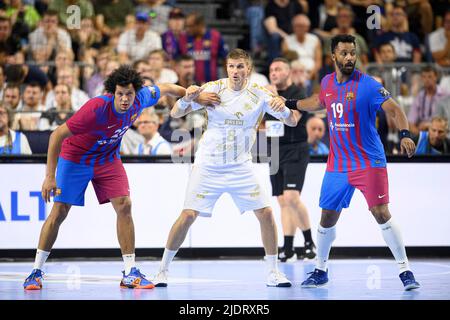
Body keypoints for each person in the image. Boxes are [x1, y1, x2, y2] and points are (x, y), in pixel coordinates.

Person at [22, 65, 213, 290]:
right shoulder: (95, 109)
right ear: (113, 93)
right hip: (76, 158)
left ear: (136, 93)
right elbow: (56, 135)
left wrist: (194, 94)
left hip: (106, 157)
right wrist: (49, 177)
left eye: (129, 94)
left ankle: (130, 272)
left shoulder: (142, 98)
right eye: (120, 94)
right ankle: (36, 271)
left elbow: (166, 88)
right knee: (59, 211)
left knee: (124, 205)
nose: (124, 99)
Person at [152, 48, 300, 288]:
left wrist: (282, 107)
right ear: (226, 68)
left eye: (240, 66)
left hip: (241, 166)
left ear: (248, 69)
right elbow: (175, 112)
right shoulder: (213, 88)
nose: (235, 71)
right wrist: (189, 97)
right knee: (188, 214)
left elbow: (292, 120)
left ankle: (273, 272)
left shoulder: (261, 94)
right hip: (208, 164)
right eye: (231, 66)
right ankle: (162, 270)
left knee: (266, 213)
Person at [290, 35, 420, 291]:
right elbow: (317, 101)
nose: (350, 57)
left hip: (369, 161)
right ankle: (320, 270)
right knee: (327, 216)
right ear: (333, 57)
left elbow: (395, 110)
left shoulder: (368, 85)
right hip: (338, 164)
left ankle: (405, 270)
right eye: (344, 53)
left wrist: (405, 134)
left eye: (353, 53)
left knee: (381, 213)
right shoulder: (327, 82)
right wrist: (290, 103)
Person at [266, 57, 316, 262]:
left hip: (295, 148)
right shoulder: (265, 95)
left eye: (278, 69)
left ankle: (309, 242)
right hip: (274, 149)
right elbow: (262, 124)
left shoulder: (297, 92)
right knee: (282, 200)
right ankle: (287, 248)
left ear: (288, 72)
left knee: (292, 197)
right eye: (271, 70)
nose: (274, 73)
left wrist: (275, 96)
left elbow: (294, 120)